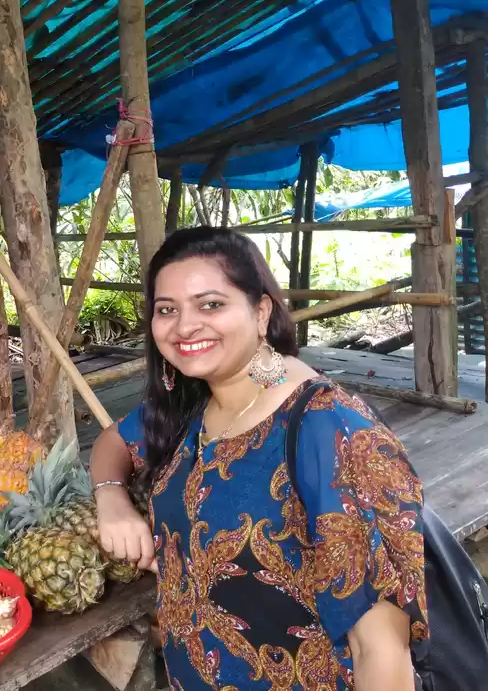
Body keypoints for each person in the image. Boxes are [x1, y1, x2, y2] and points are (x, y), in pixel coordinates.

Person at [89, 227, 426, 691]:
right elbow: (112, 443)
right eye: (167, 309)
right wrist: (113, 501)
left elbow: (381, 650)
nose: (185, 326)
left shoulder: (326, 429)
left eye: (211, 304)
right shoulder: (191, 402)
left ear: (261, 310)